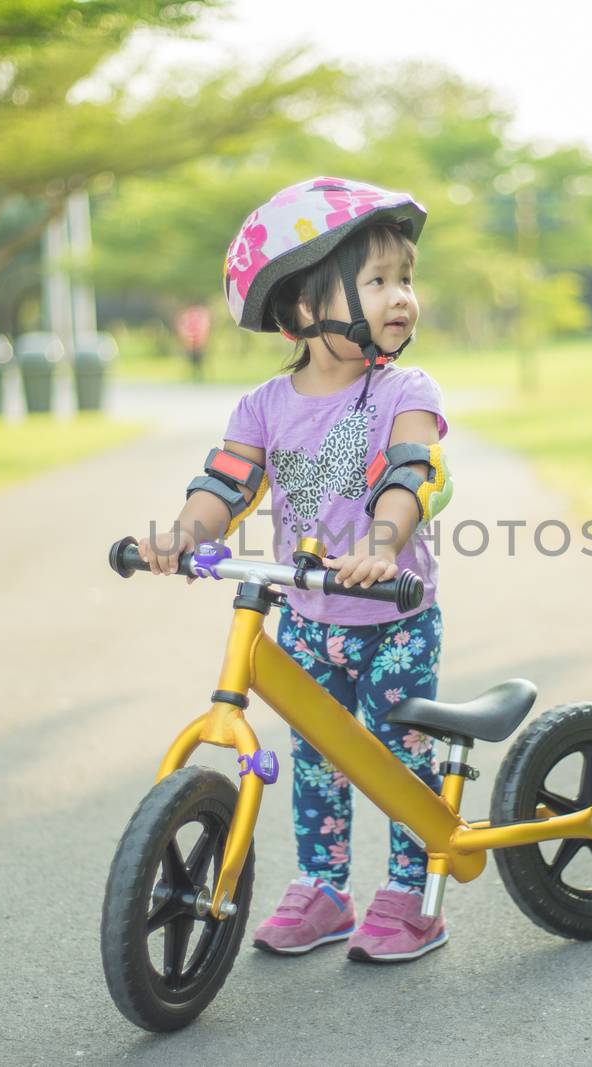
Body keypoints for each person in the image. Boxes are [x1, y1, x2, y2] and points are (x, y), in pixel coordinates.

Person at [136, 177, 455, 963]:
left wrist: (380, 546)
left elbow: (409, 471)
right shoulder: (263, 406)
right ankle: (324, 887)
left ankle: (413, 894)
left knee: (396, 754)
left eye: (406, 279)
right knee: (316, 760)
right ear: (302, 309)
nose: (401, 297)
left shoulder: (404, 389)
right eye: (378, 280)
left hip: (395, 617)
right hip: (308, 614)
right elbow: (226, 484)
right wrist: (182, 535)